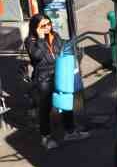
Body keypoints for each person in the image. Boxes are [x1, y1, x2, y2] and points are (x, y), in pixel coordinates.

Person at [23, 14, 86, 150]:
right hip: (44, 78)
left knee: (65, 101)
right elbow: (37, 56)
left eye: (48, 24)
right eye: (43, 26)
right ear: (35, 27)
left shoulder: (54, 36)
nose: (47, 28)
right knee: (45, 108)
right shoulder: (30, 41)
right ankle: (46, 137)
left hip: (58, 73)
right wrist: (40, 39)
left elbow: (63, 47)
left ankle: (70, 131)